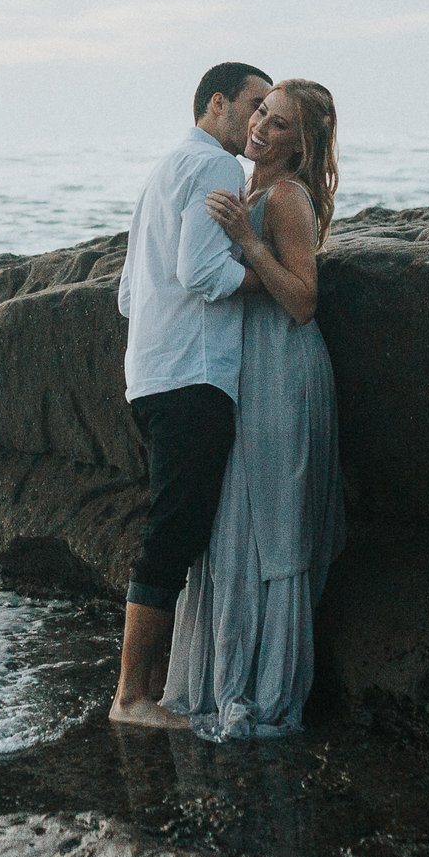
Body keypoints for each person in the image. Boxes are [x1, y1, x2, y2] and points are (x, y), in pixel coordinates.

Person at [163, 79, 346, 738]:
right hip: (247, 369)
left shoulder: (287, 198)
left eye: (281, 124)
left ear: (302, 144)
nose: (263, 128)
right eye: (262, 112)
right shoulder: (241, 186)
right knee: (234, 522)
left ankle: (266, 695)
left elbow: (302, 299)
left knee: (271, 526)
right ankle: (226, 681)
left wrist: (251, 238)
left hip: (283, 372)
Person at [109, 62, 271, 728]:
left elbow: (126, 293)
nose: (260, 119)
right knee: (173, 533)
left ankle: (145, 688)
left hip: (149, 372)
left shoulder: (163, 168)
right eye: (254, 105)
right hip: (191, 374)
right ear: (217, 105)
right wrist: (271, 276)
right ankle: (131, 698)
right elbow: (200, 270)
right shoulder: (216, 169)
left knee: (173, 528)